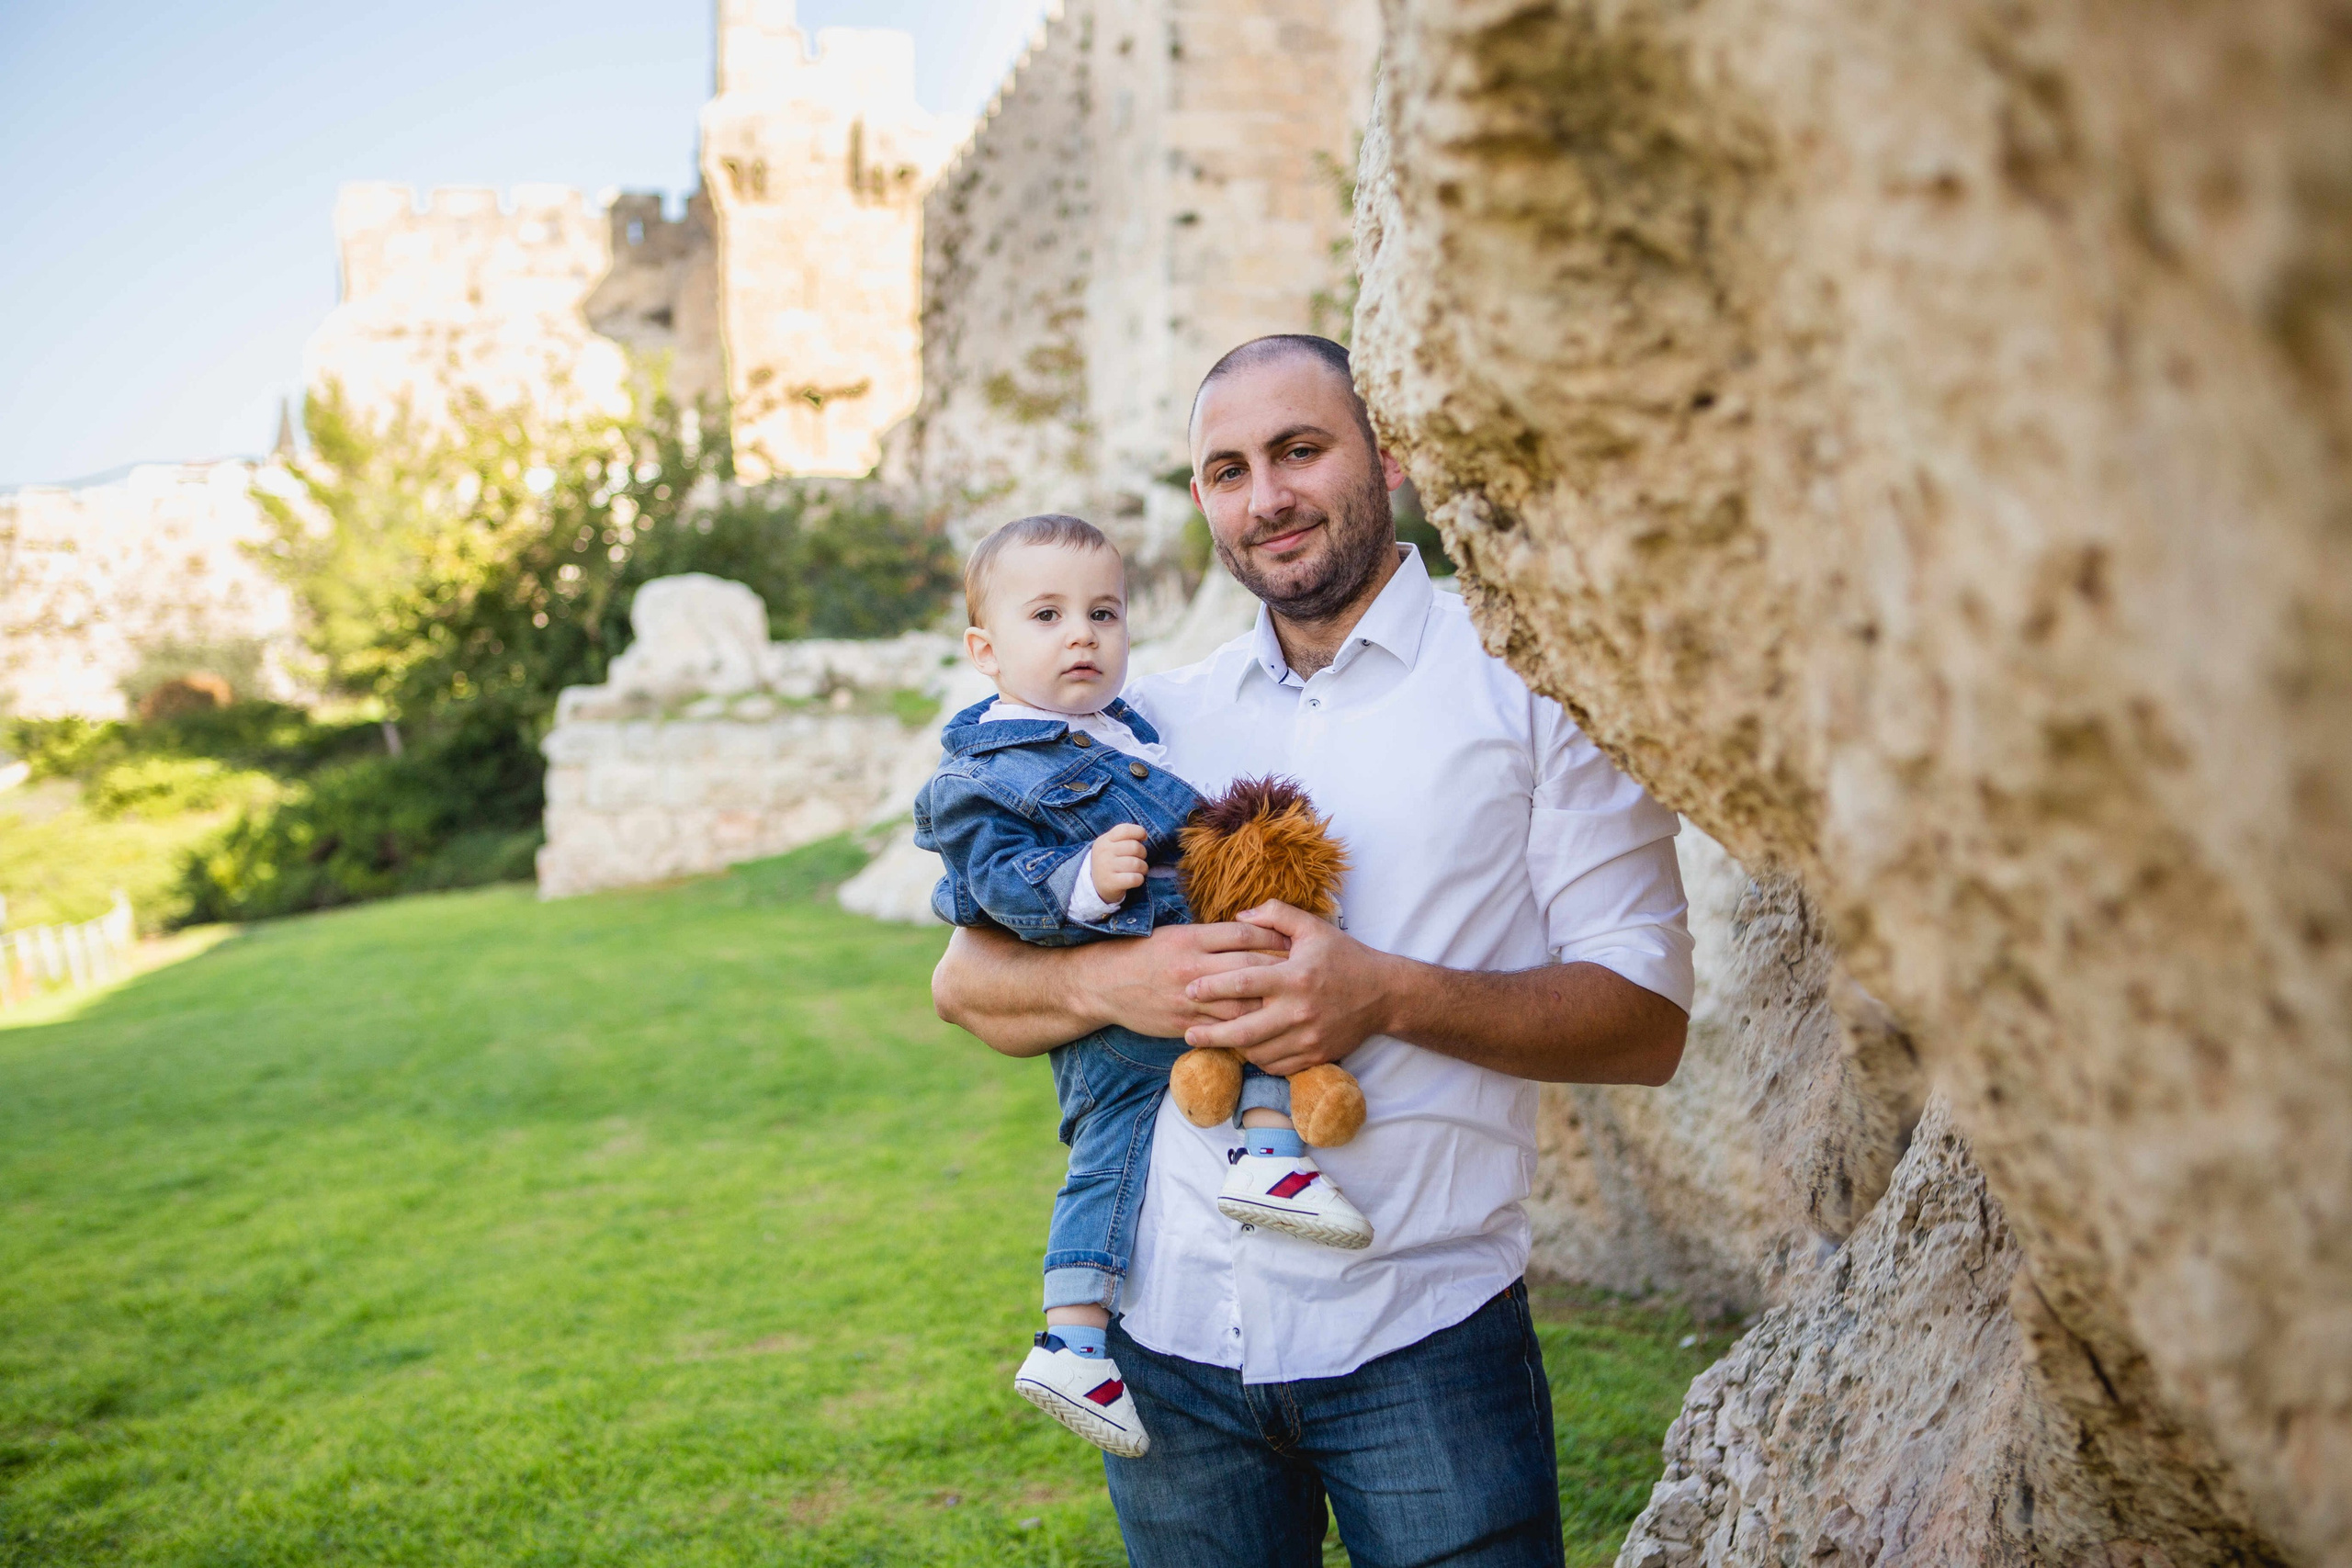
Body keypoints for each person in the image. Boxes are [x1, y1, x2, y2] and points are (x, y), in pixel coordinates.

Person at [930, 334, 1696, 1568]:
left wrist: (1382, 993)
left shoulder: (1533, 685)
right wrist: (1115, 979)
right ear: (1202, 501)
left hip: (1424, 1335)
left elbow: (1645, 1018)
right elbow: (964, 980)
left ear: (1384, 454)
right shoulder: (1153, 720)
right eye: (1227, 469)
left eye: (1300, 449)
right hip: (1167, 1350)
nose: (1267, 495)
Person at [914, 513, 1376, 1460]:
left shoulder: (1124, 726)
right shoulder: (989, 770)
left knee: (1123, 1146)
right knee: (1121, 1143)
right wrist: (1080, 883)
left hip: (1169, 966)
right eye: (1046, 615)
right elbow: (984, 888)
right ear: (985, 650)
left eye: (1105, 612)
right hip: (1115, 981)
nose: (1082, 634)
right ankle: (1259, 1157)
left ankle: (1077, 1337)